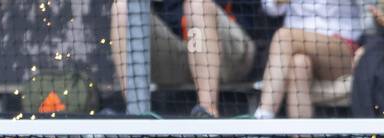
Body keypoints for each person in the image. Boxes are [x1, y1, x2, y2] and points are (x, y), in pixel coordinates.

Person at [252, 0, 365, 138]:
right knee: (299, 65)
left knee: (283, 37)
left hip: (340, 48)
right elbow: (270, 9)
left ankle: (261, 126)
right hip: (296, 51)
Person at [114, 0, 273, 117]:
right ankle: (133, 113)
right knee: (122, 7)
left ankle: (207, 112)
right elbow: (169, 15)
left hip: (232, 53)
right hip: (182, 49)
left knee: (197, 5)